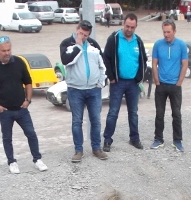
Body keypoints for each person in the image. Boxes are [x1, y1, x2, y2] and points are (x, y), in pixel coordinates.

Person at [0, 35, 48, 175]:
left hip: (21, 109)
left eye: (9, 50)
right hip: (5, 111)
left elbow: (28, 82)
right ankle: (11, 162)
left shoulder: (19, 62)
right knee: (7, 138)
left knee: (31, 134)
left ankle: (37, 159)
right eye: (3, 51)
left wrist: (28, 100)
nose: (7, 53)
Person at [60, 20, 107, 163]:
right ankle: (78, 150)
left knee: (96, 120)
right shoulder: (66, 44)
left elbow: (102, 64)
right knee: (77, 121)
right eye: (81, 33)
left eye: (85, 35)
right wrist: (78, 46)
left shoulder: (93, 45)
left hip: (93, 89)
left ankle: (96, 148)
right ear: (77, 29)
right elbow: (66, 60)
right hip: (75, 90)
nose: (83, 37)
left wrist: (101, 81)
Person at [101, 13, 147, 153]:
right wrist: (111, 77)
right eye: (127, 26)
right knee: (113, 112)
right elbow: (106, 58)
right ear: (123, 24)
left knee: (133, 112)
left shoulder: (138, 41)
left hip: (133, 83)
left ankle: (134, 138)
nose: (129, 29)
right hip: (117, 82)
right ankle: (107, 140)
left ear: (136, 27)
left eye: (132, 27)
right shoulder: (114, 39)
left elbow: (143, 60)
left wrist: (139, 78)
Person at [150, 19, 188, 152]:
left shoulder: (181, 45)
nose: (166, 35)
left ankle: (177, 141)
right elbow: (154, 63)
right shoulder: (158, 44)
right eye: (164, 32)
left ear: (174, 31)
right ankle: (158, 139)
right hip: (161, 84)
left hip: (175, 86)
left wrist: (179, 82)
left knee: (176, 114)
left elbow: (185, 64)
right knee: (159, 114)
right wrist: (157, 81)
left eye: (168, 32)